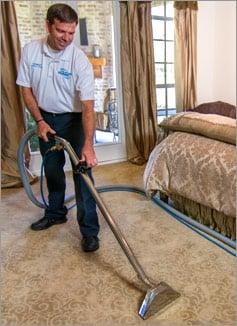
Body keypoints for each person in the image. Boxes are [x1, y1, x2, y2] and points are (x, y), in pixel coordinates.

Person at [16, 3, 100, 252]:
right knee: (51, 169)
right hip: (46, 120)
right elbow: (25, 88)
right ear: (48, 26)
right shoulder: (31, 51)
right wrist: (39, 121)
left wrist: (88, 144)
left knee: (82, 175)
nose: (67, 38)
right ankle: (55, 213)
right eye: (61, 31)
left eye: (71, 33)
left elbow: (87, 106)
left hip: (73, 121)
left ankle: (89, 231)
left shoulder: (79, 61)